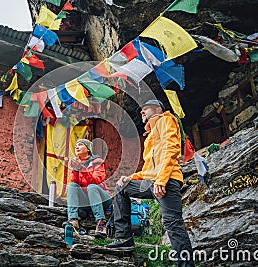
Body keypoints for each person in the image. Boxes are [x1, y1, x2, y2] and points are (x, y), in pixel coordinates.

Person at [106, 100, 195, 267]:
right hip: (151, 182)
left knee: (173, 224)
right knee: (121, 187)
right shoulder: (149, 136)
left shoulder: (166, 120)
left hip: (167, 180)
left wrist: (162, 179)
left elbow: (172, 150)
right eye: (141, 110)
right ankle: (124, 238)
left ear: (158, 109)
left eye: (145, 109)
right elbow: (148, 169)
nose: (141, 113)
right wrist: (132, 177)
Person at [64, 139, 112, 238]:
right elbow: (74, 181)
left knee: (92, 187)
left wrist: (82, 168)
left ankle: (101, 223)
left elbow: (96, 180)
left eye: (80, 145)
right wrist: (76, 170)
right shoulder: (76, 162)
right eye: (76, 145)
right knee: (72, 186)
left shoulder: (98, 161)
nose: (76, 147)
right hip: (86, 201)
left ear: (88, 149)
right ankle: (73, 219)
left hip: (102, 199)